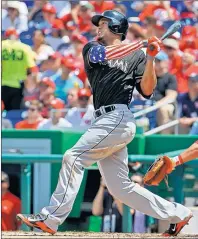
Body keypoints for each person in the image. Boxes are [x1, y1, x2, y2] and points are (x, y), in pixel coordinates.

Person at [17, 10, 192, 237]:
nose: (98, 27)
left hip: (117, 116)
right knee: (120, 188)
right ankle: (178, 213)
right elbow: (106, 55)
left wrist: (149, 57)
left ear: (117, 28)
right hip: (103, 120)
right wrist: (141, 43)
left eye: (104, 23)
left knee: (73, 157)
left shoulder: (137, 56)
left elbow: (147, 90)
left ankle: (51, 218)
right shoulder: (92, 48)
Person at [2, 28, 38, 110]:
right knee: (15, 111)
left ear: (5, 36)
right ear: (17, 36)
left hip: (2, 83)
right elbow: (32, 67)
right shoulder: (24, 48)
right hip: (18, 84)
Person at [154, 51, 178, 134]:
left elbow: (171, 96)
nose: (155, 63)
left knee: (164, 109)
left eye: (158, 61)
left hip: (165, 105)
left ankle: (164, 136)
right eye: (154, 60)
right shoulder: (151, 77)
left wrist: (158, 104)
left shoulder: (170, 77)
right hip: (150, 104)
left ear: (166, 62)